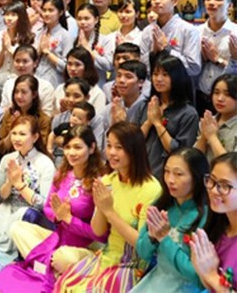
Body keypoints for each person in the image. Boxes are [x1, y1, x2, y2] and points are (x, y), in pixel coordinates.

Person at [0, 125, 107, 291]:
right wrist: (58, 216)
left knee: (63, 257)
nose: (71, 152)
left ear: (92, 148)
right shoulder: (62, 174)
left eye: (77, 147)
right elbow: (47, 209)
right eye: (67, 147)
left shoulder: (100, 182)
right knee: (17, 228)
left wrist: (69, 219)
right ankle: (52, 270)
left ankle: (43, 266)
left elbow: (101, 235)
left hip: (85, 248)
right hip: (57, 239)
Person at [55, 121, 162, 292]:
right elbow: (98, 231)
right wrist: (101, 207)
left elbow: (144, 247)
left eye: (119, 147)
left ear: (134, 150)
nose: (111, 152)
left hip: (132, 264)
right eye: (109, 145)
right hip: (106, 256)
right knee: (66, 283)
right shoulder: (108, 181)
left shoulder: (151, 189)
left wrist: (109, 211)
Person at [0, 115, 55, 261]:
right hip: (6, 209)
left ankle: (20, 249)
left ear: (35, 137)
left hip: (29, 213)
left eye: (22, 134)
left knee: (29, 215)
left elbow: (44, 205)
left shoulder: (45, 164)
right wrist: (9, 183)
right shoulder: (7, 159)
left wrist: (20, 185)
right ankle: (5, 240)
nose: (17, 138)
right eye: (14, 133)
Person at [133, 148, 209, 292]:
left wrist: (164, 239)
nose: (170, 180)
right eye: (167, 171)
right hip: (156, 281)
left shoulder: (206, 217)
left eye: (178, 174)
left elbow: (199, 278)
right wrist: (152, 237)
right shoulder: (163, 204)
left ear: (197, 177)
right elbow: (142, 252)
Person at [140, 54, 199, 177]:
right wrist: (149, 122)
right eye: (155, 74)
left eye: (165, 75)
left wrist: (157, 124)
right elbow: (133, 142)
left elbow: (180, 153)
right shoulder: (145, 105)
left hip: (166, 176)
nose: (158, 79)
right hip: (140, 171)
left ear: (177, 77)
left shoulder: (188, 113)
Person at [189, 152, 237, 292]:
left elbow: (213, 279)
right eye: (212, 180)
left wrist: (211, 275)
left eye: (225, 185)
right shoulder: (219, 227)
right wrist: (203, 271)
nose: (214, 190)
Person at [139, 0, 201, 78]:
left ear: (175, 1)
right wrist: (154, 52)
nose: (157, 1)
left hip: (180, 84)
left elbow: (194, 68)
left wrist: (167, 49)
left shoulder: (189, 30)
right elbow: (142, 67)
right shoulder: (147, 31)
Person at [197, 0, 237, 115]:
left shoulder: (235, 33)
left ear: (230, 6)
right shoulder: (196, 32)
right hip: (200, 94)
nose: (211, 3)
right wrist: (201, 58)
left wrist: (217, 60)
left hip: (229, 99)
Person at [0, 75, 52, 156]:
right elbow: (1, 148)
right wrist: (12, 129)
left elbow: (41, 148)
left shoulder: (43, 119)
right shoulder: (9, 114)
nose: (19, 96)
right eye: (16, 92)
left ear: (34, 94)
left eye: (24, 92)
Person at [0, 45, 55, 115]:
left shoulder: (46, 87)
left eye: (25, 61)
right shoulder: (8, 84)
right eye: (17, 61)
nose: (20, 65)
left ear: (35, 63)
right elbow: (2, 111)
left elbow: (47, 114)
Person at [51, 46, 107, 115]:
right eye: (69, 64)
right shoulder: (60, 88)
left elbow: (97, 119)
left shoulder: (97, 93)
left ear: (87, 67)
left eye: (77, 65)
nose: (72, 68)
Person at [0, 1, 35, 91]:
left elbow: (27, 63)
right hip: (1, 81)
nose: (9, 18)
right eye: (7, 14)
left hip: (20, 82)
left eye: (13, 15)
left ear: (21, 17)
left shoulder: (29, 38)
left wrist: (9, 48)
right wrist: (3, 50)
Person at [195, 74, 237, 161]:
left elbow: (231, 166)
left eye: (228, 94)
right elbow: (194, 160)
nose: (220, 99)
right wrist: (204, 136)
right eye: (216, 93)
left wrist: (212, 137)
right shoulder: (208, 122)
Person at [36, 0, 74, 88]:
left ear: (60, 12)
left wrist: (47, 52)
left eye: (51, 10)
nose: (46, 14)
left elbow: (67, 66)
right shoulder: (39, 32)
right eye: (44, 10)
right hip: (37, 78)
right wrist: (39, 51)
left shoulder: (65, 36)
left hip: (55, 82)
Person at [75, 3, 115, 88]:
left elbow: (108, 65)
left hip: (97, 86)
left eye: (86, 19)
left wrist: (87, 48)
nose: (82, 22)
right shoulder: (73, 40)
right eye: (79, 19)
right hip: (76, 85)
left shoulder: (105, 40)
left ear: (96, 19)